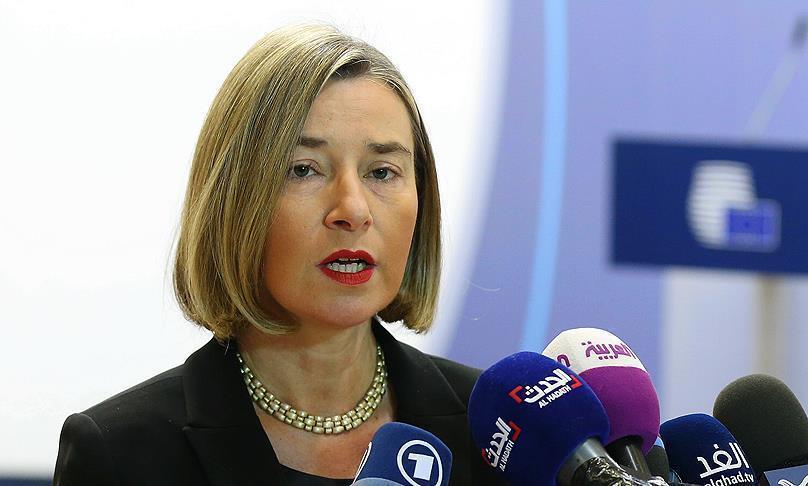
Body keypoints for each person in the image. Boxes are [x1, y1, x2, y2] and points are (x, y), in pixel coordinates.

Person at [53, 24, 504, 486]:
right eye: (304, 170)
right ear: (234, 199)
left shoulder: (496, 433)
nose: (353, 210)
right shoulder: (122, 455)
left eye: (382, 172)